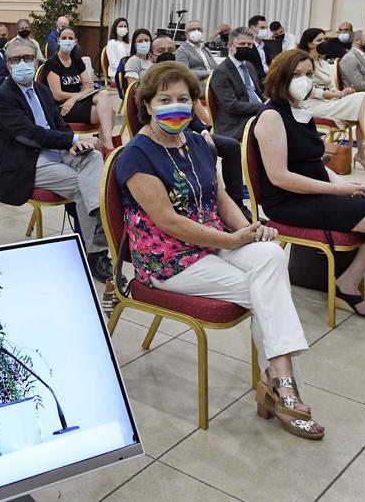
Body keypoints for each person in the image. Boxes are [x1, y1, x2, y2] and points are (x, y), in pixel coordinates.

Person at [116, 61, 323, 440]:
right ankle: (284, 386)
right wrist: (232, 241)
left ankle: (278, 377)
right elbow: (168, 222)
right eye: (165, 99)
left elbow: (221, 196)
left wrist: (247, 229)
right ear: (147, 104)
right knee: (267, 291)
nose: (175, 107)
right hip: (169, 261)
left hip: (211, 241)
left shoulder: (197, 142)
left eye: (183, 99)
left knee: (272, 256)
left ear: (195, 103)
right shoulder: (136, 155)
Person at [255, 50, 365, 341]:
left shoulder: (299, 110)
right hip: (289, 202)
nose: (304, 81)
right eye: (296, 75)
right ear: (279, 78)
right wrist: (338, 190)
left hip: (314, 193)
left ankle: (347, 283)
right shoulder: (272, 116)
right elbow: (279, 177)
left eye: (308, 75)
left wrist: (343, 185)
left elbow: (313, 165)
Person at [0, 37, 112, 279]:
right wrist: (73, 140)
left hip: (57, 151)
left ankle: (97, 210)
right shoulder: (2, 97)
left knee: (94, 157)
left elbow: (58, 124)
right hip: (26, 161)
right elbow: (30, 134)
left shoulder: (42, 91)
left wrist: (75, 143)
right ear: (8, 66)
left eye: (27, 58)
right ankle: (97, 252)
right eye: (15, 60)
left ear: (36, 62)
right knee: (82, 187)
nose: (22, 63)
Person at [295, 27, 365, 170]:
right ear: (310, 44)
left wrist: (343, 92)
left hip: (329, 102)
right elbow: (309, 91)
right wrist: (337, 95)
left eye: (324, 39)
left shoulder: (324, 63)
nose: (324, 43)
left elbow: (334, 88)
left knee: (363, 105)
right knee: (363, 99)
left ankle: (362, 152)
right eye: (319, 40)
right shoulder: (302, 63)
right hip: (312, 105)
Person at [41, 26, 117, 151]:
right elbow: (58, 95)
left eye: (70, 38)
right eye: (64, 38)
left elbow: (89, 86)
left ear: (75, 42)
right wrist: (77, 96)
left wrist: (74, 98)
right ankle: (105, 147)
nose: (67, 40)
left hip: (75, 102)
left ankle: (106, 145)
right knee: (109, 113)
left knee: (104, 95)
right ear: (58, 41)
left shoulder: (77, 61)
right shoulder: (52, 63)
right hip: (61, 108)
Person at [209, 27, 265, 140]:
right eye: (242, 44)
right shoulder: (221, 72)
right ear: (230, 46)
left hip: (257, 114)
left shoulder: (249, 66)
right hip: (236, 123)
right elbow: (232, 106)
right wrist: (264, 107)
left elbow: (258, 93)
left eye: (249, 45)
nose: (246, 47)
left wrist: (272, 102)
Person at [104, 18, 132, 83]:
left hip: (129, 73)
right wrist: (126, 69)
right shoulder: (112, 43)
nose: (123, 28)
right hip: (117, 74)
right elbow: (113, 63)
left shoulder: (130, 43)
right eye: (120, 26)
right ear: (115, 29)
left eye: (125, 26)